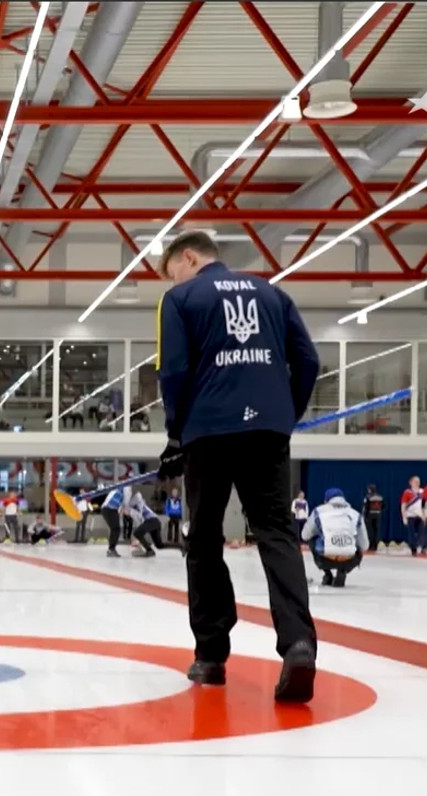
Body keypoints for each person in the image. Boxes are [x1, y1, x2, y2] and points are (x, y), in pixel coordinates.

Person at [153, 230, 320, 702]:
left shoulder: (180, 299)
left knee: (204, 536)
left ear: (187, 257)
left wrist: (174, 432)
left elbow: (174, 371)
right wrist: (285, 412)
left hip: (208, 428)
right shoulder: (273, 293)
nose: (173, 279)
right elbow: (307, 359)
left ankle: (210, 656)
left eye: (172, 270)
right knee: (276, 532)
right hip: (267, 427)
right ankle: (299, 644)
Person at [301, 487, 363, 588]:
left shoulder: (318, 512)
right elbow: (364, 545)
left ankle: (327, 573)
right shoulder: (355, 514)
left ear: (326, 500)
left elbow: (305, 535)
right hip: (349, 559)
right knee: (356, 541)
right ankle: (342, 571)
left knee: (312, 538)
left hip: (325, 558)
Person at [400, 476, 425, 554]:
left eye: (418, 481)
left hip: (420, 516)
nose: (417, 482)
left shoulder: (422, 491)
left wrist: (424, 515)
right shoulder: (407, 492)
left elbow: (424, 505)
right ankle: (413, 549)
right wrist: (404, 516)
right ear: (410, 482)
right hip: (411, 515)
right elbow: (403, 505)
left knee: (422, 533)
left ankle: (421, 547)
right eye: (415, 481)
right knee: (412, 533)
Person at [361, 484, 385, 552]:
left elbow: (365, 507)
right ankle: (375, 546)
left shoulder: (368, 497)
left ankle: (370, 545)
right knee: (376, 530)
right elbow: (383, 505)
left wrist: (364, 515)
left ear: (369, 490)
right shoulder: (380, 497)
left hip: (370, 515)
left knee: (370, 530)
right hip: (378, 514)